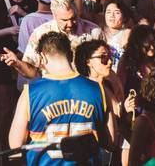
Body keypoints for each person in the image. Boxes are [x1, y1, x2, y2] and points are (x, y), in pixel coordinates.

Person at [8, 32, 110, 166]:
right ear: (70, 55)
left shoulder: (30, 92)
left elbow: (15, 144)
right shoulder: (98, 89)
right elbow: (110, 142)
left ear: (43, 57)